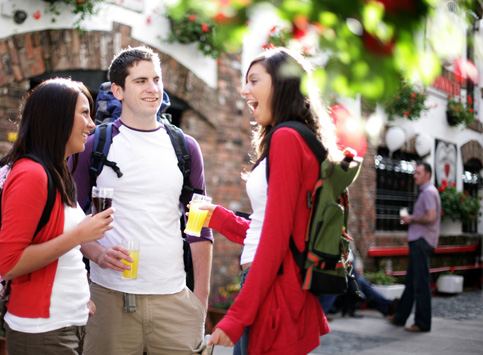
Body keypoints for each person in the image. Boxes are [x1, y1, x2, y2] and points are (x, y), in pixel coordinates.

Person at [72, 46, 213, 354]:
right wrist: (95, 252)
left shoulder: (185, 148)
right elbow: (69, 216)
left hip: (175, 301)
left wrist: (200, 300)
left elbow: (199, 225)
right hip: (109, 298)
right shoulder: (95, 145)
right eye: (140, 81)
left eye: (156, 79)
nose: (152, 89)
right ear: (118, 90)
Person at [203, 47, 333, 354]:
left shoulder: (287, 139)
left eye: (254, 81)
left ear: (283, 84)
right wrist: (217, 217)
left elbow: (275, 239)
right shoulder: (291, 136)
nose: (244, 89)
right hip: (271, 283)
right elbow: (269, 225)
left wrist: (236, 317)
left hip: (274, 287)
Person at [0, 78, 115, 355]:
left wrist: (81, 297)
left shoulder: (57, 172)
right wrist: (79, 234)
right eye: (84, 113)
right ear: (57, 117)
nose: (92, 124)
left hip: (66, 323)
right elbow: (10, 264)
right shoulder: (31, 174)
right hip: (42, 331)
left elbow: (61, 250)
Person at [389, 162, 441, 332]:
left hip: (421, 241)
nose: (415, 175)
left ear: (428, 175)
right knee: (411, 282)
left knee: (420, 284)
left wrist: (412, 219)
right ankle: (400, 317)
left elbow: (431, 217)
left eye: (418, 172)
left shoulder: (428, 192)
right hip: (420, 241)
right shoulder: (427, 192)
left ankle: (423, 323)